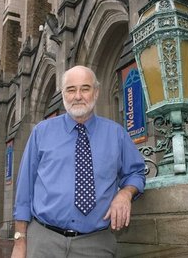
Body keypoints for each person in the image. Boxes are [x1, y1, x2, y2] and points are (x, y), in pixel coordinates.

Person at [11, 65, 146, 258]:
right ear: (63, 94)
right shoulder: (41, 132)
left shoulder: (116, 134)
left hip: (96, 244)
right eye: (71, 89)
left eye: (85, 88)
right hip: (44, 242)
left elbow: (136, 173)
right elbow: (24, 189)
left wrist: (125, 193)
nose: (77, 96)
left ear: (96, 93)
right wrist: (20, 240)